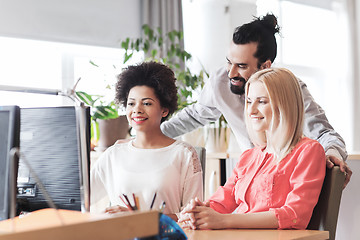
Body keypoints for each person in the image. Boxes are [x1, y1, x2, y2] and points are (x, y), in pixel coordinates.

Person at [160, 14, 352, 187]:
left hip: (286, 182)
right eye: (229, 62)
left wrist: (331, 155)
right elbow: (194, 116)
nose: (231, 73)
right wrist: (150, 134)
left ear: (265, 66)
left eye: (242, 66)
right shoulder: (220, 81)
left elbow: (326, 134)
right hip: (248, 179)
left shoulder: (291, 90)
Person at [178, 67, 326, 230]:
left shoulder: (308, 151)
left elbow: (294, 215)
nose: (251, 110)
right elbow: (222, 201)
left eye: (261, 101)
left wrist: (224, 221)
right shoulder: (249, 156)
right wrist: (199, 212)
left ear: (284, 104)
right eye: (249, 101)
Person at [90, 61, 203, 221]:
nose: (137, 109)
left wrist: (142, 219)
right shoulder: (114, 154)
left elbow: (193, 216)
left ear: (164, 110)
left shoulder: (184, 154)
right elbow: (81, 200)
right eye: (131, 103)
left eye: (147, 103)